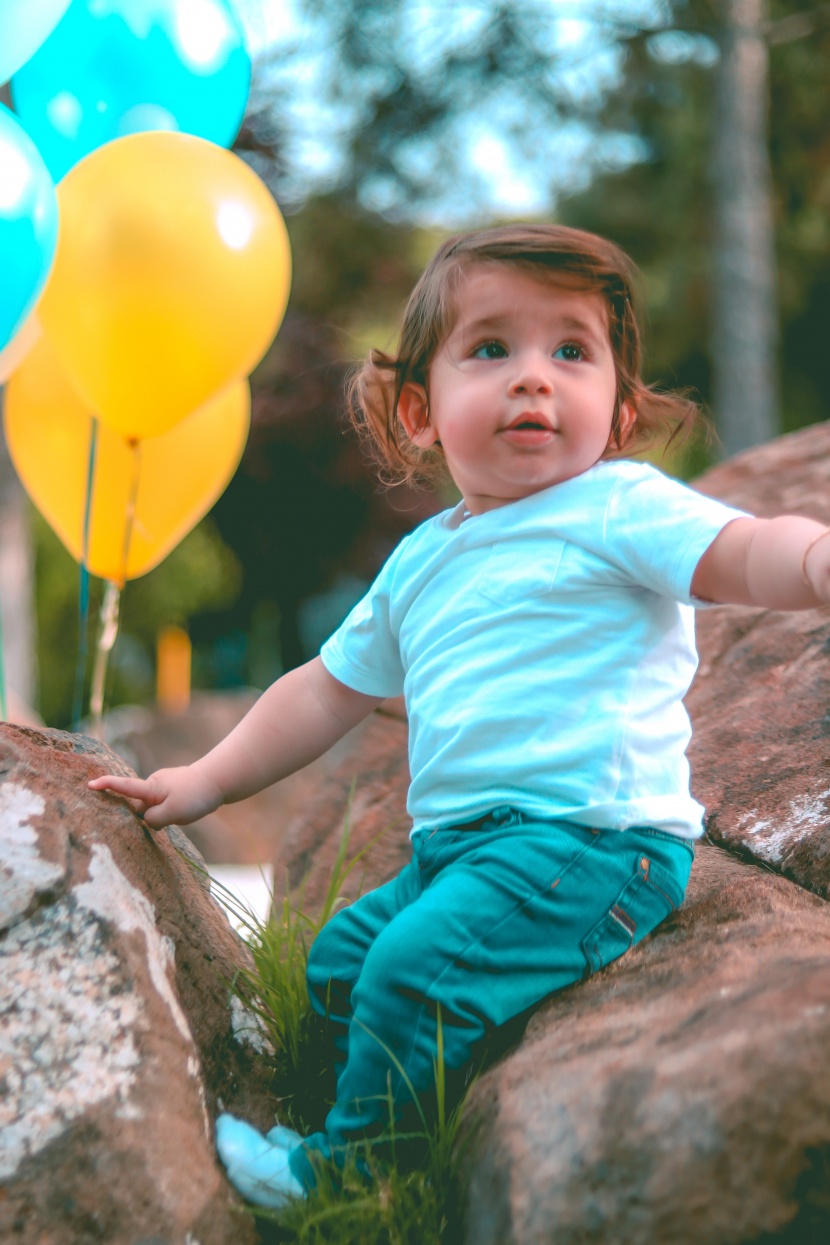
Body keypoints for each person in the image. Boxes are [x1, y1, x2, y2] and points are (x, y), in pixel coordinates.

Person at [89, 224, 830, 1209]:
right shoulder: (422, 560)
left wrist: (812, 561)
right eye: (490, 349)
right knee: (340, 967)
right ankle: (332, 1113)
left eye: (570, 351)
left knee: (408, 972)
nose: (533, 379)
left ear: (615, 408)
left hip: (593, 845)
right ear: (418, 410)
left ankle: (352, 1180)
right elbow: (324, 688)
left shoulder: (615, 507)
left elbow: (741, 551)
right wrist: (209, 777)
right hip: (460, 850)